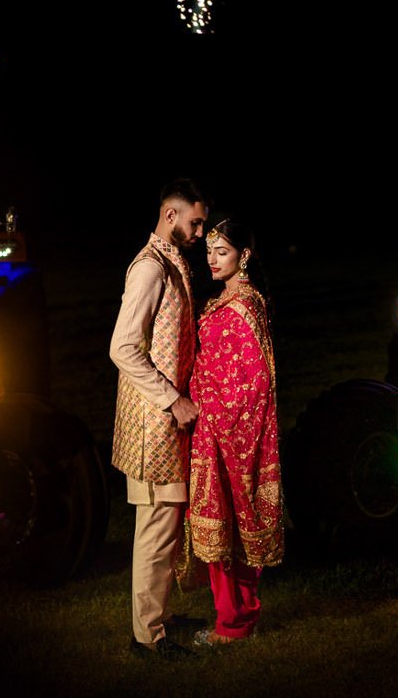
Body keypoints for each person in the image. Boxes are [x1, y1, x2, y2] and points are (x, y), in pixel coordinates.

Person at [110, 177, 210, 657]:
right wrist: (172, 400)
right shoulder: (150, 269)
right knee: (157, 525)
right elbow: (123, 347)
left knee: (167, 523)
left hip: (165, 418)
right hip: (155, 420)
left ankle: (161, 618)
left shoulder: (171, 263)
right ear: (170, 215)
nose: (200, 232)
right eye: (195, 222)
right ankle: (147, 637)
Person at [187, 213, 283, 646]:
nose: (211, 259)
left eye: (221, 252)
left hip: (231, 432)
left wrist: (215, 410)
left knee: (232, 525)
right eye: (208, 251)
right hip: (215, 429)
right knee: (225, 528)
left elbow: (257, 378)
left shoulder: (243, 305)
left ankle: (233, 625)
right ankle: (236, 621)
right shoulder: (225, 299)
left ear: (243, 255)